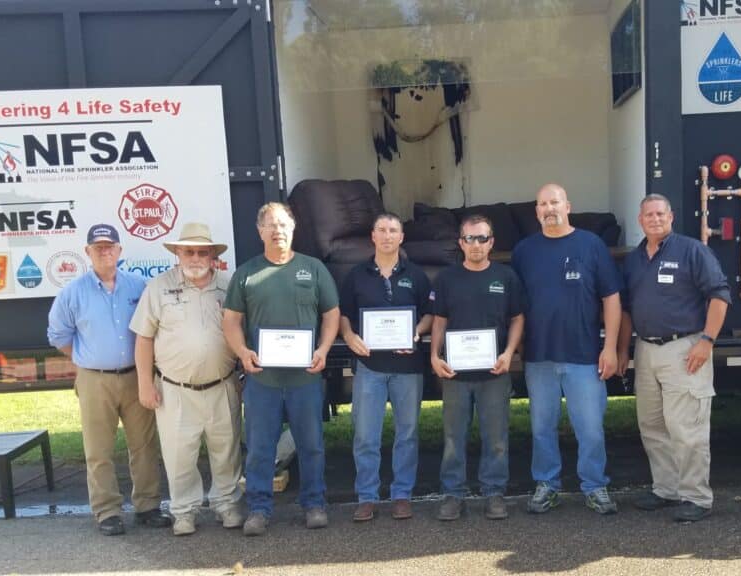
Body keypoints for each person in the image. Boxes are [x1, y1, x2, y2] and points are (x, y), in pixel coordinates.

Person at [47, 223, 172, 536]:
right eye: (97, 247)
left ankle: (147, 506)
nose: (104, 251)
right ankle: (107, 511)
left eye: (110, 246)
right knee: (98, 449)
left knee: (143, 445)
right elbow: (59, 336)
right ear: (87, 252)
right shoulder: (72, 293)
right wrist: (88, 359)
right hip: (94, 380)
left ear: (120, 251)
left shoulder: (140, 286)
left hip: (136, 376)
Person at [222, 202, 339, 535]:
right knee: (260, 448)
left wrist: (323, 349)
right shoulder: (247, 273)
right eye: (270, 225)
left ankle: (314, 503)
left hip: (305, 378)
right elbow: (231, 320)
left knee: (311, 443)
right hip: (263, 380)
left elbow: (331, 313)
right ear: (260, 231)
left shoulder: (313, 269)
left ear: (293, 228)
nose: (278, 231)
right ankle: (259, 509)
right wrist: (243, 351)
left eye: (284, 224)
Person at [616, 194, 730, 523]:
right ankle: (666, 489)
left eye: (660, 213)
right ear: (640, 221)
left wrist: (707, 340)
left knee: (686, 427)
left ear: (672, 216)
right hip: (647, 349)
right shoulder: (635, 260)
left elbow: (719, 296)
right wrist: (624, 349)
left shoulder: (692, 251)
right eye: (648, 215)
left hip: (686, 348)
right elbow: (626, 309)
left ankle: (695, 496)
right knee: (652, 424)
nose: (654, 219)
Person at [510, 183, 622, 515]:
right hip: (539, 356)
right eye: (542, 203)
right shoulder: (524, 251)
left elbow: (611, 298)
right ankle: (547, 485)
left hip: (584, 355)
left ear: (568, 206)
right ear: (536, 212)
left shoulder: (591, 245)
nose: (549, 208)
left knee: (590, 427)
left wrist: (611, 347)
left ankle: (595, 486)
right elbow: (514, 305)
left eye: (554, 201)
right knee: (541, 427)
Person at [130, 222, 243, 536]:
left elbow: (243, 330)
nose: (195, 257)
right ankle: (183, 511)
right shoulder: (158, 287)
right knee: (180, 454)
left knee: (227, 448)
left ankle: (227, 504)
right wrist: (144, 383)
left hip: (223, 383)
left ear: (211, 255)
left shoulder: (228, 284)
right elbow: (143, 339)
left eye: (201, 252)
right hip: (175, 389)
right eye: (188, 251)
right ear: (177, 253)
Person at [340, 212, 432, 522]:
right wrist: (349, 336)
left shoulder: (416, 275)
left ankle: (401, 495)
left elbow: (430, 313)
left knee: (407, 433)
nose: (388, 235)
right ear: (373, 236)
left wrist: (417, 332)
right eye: (382, 229)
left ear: (401, 238)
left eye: (393, 230)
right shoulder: (356, 275)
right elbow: (344, 315)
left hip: (408, 368)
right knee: (366, 435)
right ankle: (367, 496)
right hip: (370, 367)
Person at [431, 214, 525, 521]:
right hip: (456, 374)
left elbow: (517, 318)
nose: (476, 245)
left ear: (492, 242)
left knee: (496, 437)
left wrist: (509, 352)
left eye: (482, 238)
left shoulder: (506, 277)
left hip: (494, 373)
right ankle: (453, 494)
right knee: (452, 437)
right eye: (469, 239)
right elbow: (440, 319)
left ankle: (494, 493)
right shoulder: (447, 279)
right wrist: (435, 354)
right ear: (461, 243)